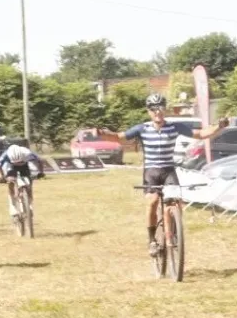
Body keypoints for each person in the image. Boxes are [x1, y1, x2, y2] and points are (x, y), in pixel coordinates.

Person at [94, 93, 227, 255]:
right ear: (149, 111)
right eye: (153, 109)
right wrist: (103, 134)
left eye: (160, 108)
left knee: (176, 203)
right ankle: (152, 240)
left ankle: (174, 231)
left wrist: (219, 126)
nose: (158, 112)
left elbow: (200, 134)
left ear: (165, 109)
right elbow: (119, 137)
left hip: (168, 171)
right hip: (151, 172)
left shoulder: (174, 127)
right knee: (152, 201)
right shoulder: (142, 128)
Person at [0, 144, 45, 216]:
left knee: (29, 183)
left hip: (24, 166)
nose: (17, 163)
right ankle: (12, 204)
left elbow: (39, 161)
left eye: (19, 161)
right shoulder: (6, 154)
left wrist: (41, 172)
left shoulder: (27, 153)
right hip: (11, 166)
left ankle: (29, 203)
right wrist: (1, 177)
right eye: (15, 161)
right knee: (11, 181)